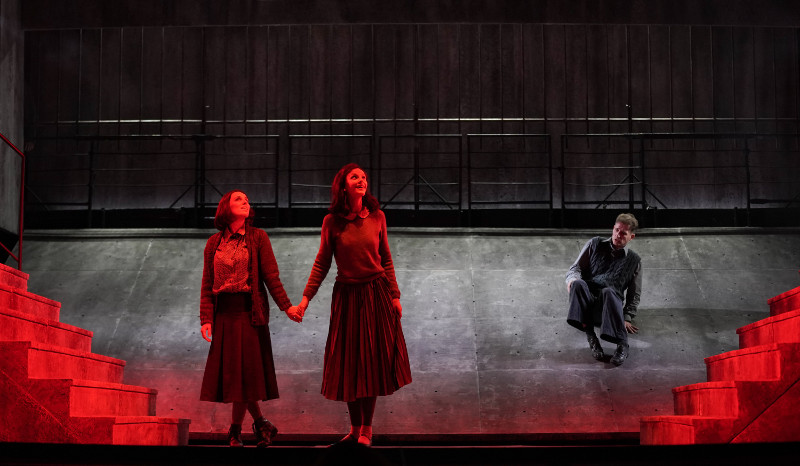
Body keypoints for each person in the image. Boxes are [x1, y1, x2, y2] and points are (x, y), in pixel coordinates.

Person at [289, 163, 412, 447]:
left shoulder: (378, 216)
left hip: (375, 293)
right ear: (343, 186)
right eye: (355, 177)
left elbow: (386, 258)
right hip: (346, 296)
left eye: (364, 177)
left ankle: (367, 430)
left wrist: (395, 296)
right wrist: (304, 300)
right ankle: (354, 430)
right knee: (348, 363)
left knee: (371, 363)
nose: (361, 180)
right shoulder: (332, 221)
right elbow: (322, 263)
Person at [199, 190, 303, 447]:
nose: (245, 202)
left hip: (249, 314)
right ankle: (261, 424)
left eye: (247, 200)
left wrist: (287, 307)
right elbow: (207, 283)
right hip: (224, 314)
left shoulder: (258, 238)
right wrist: (206, 318)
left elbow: (271, 276)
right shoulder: (214, 243)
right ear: (225, 208)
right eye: (238, 199)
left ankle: (236, 430)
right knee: (238, 377)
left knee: (243, 377)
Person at [566, 213, 642, 366]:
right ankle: (592, 338)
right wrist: (572, 280)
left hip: (609, 307)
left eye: (623, 233)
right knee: (578, 283)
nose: (617, 235)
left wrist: (626, 317)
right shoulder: (595, 244)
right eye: (616, 230)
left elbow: (634, 293)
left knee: (608, 291)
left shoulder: (634, 260)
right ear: (613, 228)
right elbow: (575, 269)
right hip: (587, 303)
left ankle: (622, 345)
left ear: (631, 237)